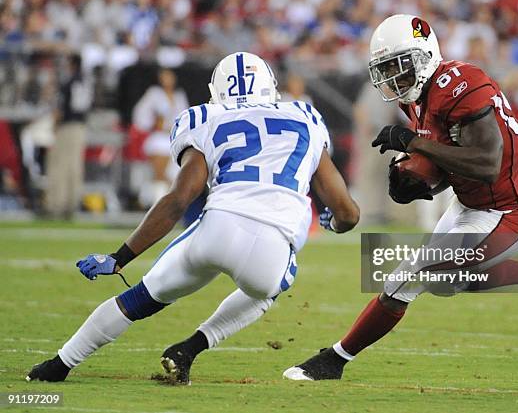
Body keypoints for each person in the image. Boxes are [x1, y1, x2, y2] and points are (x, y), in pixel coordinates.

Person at [26, 52, 359, 384]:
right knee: (271, 287)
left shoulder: (205, 117)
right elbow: (347, 212)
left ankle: (60, 364)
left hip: (218, 228)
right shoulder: (303, 116)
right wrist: (334, 222)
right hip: (271, 250)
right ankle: (190, 347)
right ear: (271, 87)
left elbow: (178, 199)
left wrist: (120, 257)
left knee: (139, 299)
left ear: (217, 91)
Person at [283, 14, 518, 381]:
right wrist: (418, 185)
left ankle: (335, 360)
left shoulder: (462, 85)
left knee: (407, 279)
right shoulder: (418, 97)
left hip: (509, 212)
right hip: (470, 204)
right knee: (448, 283)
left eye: (398, 66)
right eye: (385, 68)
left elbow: (487, 163)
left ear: (423, 56)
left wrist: (411, 143)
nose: (393, 76)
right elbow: (449, 163)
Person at [44, 54, 92, 219]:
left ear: (72, 64)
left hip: (66, 127)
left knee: (59, 166)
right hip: (80, 127)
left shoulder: (69, 82)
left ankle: (56, 205)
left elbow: (60, 108)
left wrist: (54, 126)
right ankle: (72, 204)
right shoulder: (85, 82)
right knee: (74, 166)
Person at [133, 68, 189, 206]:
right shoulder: (154, 94)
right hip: (159, 138)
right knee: (159, 173)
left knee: (174, 175)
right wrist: (153, 124)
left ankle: (167, 203)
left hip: (175, 139)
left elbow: (186, 116)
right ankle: (157, 204)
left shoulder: (179, 96)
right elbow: (140, 114)